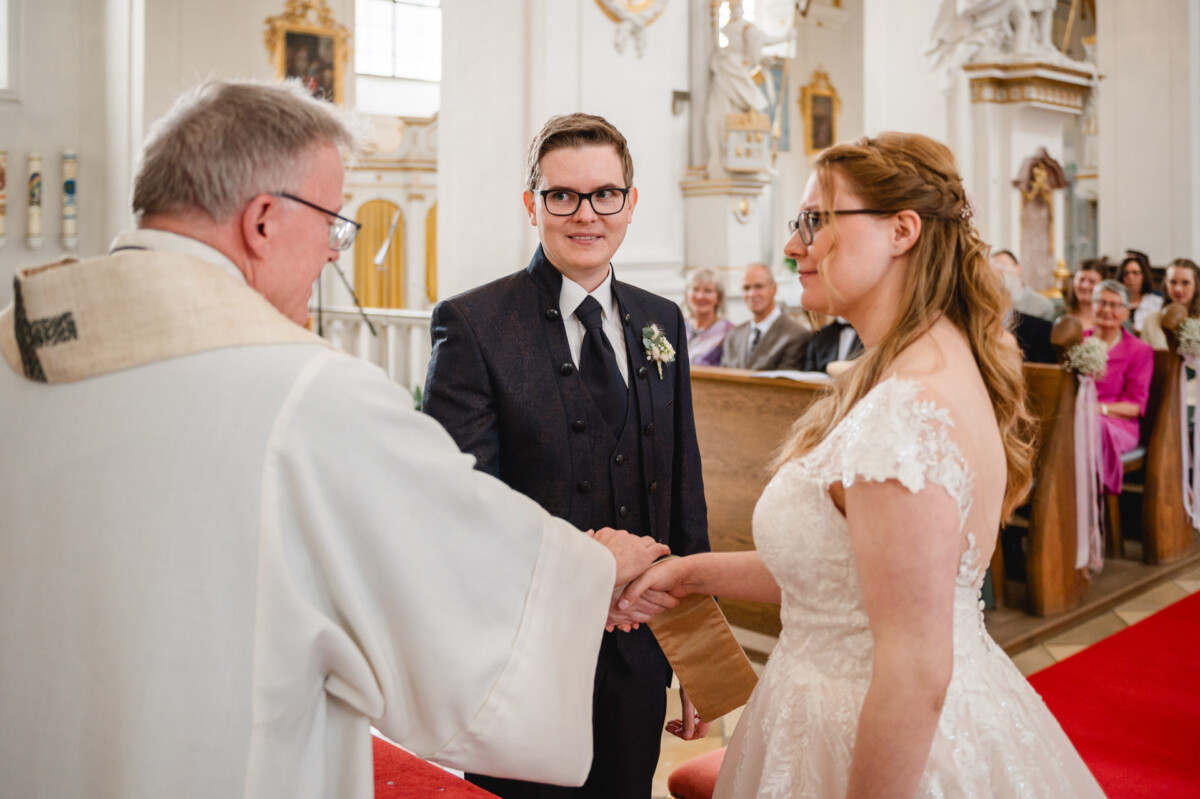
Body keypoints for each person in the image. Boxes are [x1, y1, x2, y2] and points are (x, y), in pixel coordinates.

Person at [0, 81, 672, 799]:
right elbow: (448, 585)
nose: (332, 255)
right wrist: (596, 566)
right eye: (332, 224)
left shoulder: (24, 352)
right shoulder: (309, 396)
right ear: (262, 221)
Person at [617, 132, 1105, 797]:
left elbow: (912, 673)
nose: (794, 246)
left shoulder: (902, 413)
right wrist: (691, 572)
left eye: (816, 221)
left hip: (868, 733)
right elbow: (842, 576)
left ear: (902, 230)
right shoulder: (929, 362)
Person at [422, 112, 710, 799]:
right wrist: (588, 566)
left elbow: (683, 490)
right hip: (524, 657)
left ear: (631, 202)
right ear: (533, 204)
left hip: (637, 653)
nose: (587, 214)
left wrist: (698, 652)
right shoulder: (472, 324)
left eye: (605, 193)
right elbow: (457, 510)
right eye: (563, 195)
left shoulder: (662, 321)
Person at [704, 0, 791, 177]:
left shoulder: (746, 27)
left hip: (737, 70)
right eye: (732, 6)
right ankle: (719, 157)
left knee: (754, 109)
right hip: (725, 67)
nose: (735, 9)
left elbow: (764, 39)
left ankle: (762, 160)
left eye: (737, 6)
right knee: (719, 114)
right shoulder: (729, 26)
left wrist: (785, 38)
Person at [1089, 280, 1155, 496]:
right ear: (1092, 305)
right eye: (1101, 303)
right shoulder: (1077, 342)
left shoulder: (1139, 350)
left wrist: (1097, 410)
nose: (1107, 310)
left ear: (1126, 312)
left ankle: (1088, 497)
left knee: (1090, 427)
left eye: (1115, 305)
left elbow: (1135, 407)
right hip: (1076, 419)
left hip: (1119, 425)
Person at [720, 262, 811, 370]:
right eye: (746, 288)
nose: (752, 294)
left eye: (758, 286)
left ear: (774, 288)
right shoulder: (733, 335)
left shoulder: (796, 335)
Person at [1142, 257, 1200, 349]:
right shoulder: (1151, 321)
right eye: (1173, 282)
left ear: (1196, 286)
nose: (1178, 289)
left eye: (1185, 283)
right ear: (1166, 284)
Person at [683, 267, 735, 366]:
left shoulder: (729, 332)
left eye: (708, 291)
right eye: (695, 289)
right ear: (686, 294)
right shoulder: (679, 327)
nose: (700, 296)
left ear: (718, 297)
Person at [992, 248, 1056, 321]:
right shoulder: (989, 304)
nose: (998, 272)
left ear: (1018, 268)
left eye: (1003, 266)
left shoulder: (1042, 306)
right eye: (994, 268)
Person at [1115, 251, 1162, 333]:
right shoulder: (1114, 302)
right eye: (1126, 273)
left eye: (1135, 273)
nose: (1130, 277)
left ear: (1144, 276)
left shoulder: (1157, 303)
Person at [1060, 258, 1106, 333]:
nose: (1085, 286)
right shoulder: (1059, 317)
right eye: (1081, 280)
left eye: (1092, 281)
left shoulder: (1111, 320)